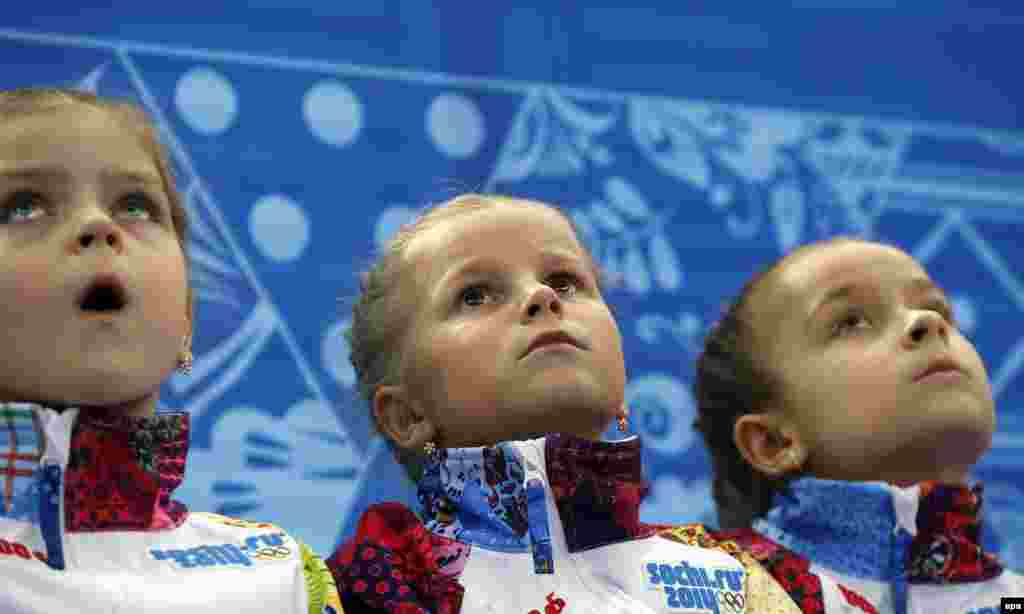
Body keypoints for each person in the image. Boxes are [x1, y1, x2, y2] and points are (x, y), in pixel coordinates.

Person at [329, 193, 877, 614]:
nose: (541, 298)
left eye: (566, 283)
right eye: (474, 294)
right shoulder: (356, 592)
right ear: (406, 415)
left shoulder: (772, 586)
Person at [0, 87, 342, 614]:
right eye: (22, 206)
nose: (98, 225)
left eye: (135, 205)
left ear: (185, 318)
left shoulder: (281, 575)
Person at [693, 236, 1022, 614]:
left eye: (938, 310)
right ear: (772, 442)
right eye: (850, 323)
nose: (928, 323)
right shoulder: (714, 600)